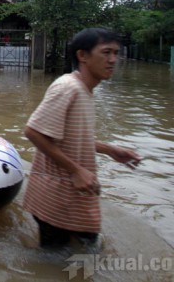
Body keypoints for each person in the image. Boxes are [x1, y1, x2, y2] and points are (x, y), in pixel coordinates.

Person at [23, 28, 142, 249]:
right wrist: (76, 170)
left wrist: (110, 149)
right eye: (106, 52)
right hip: (57, 200)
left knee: (82, 256)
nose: (113, 60)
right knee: (60, 263)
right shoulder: (68, 88)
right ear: (83, 55)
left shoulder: (84, 90)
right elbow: (33, 131)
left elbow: (67, 138)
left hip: (72, 196)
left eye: (116, 53)